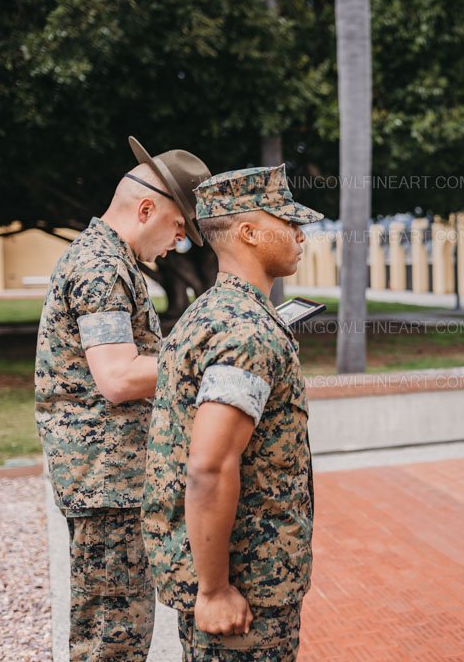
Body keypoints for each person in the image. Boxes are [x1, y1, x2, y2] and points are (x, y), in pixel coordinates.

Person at [34, 136, 209, 660]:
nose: (179, 243)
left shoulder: (112, 261)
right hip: (108, 485)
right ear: (147, 207)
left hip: (112, 480)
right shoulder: (101, 268)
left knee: (116, 633)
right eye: (179, 227)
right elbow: (116, 376)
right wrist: (206, 359)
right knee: (112, 639)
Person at [142, 165, 322, 661]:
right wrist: (216, 590)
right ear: (248, 232)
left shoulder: (208, 312)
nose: (300, 233)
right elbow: (209, 466)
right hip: (248, 585)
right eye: (288, 222)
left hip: (237, 575)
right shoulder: (245, 332)